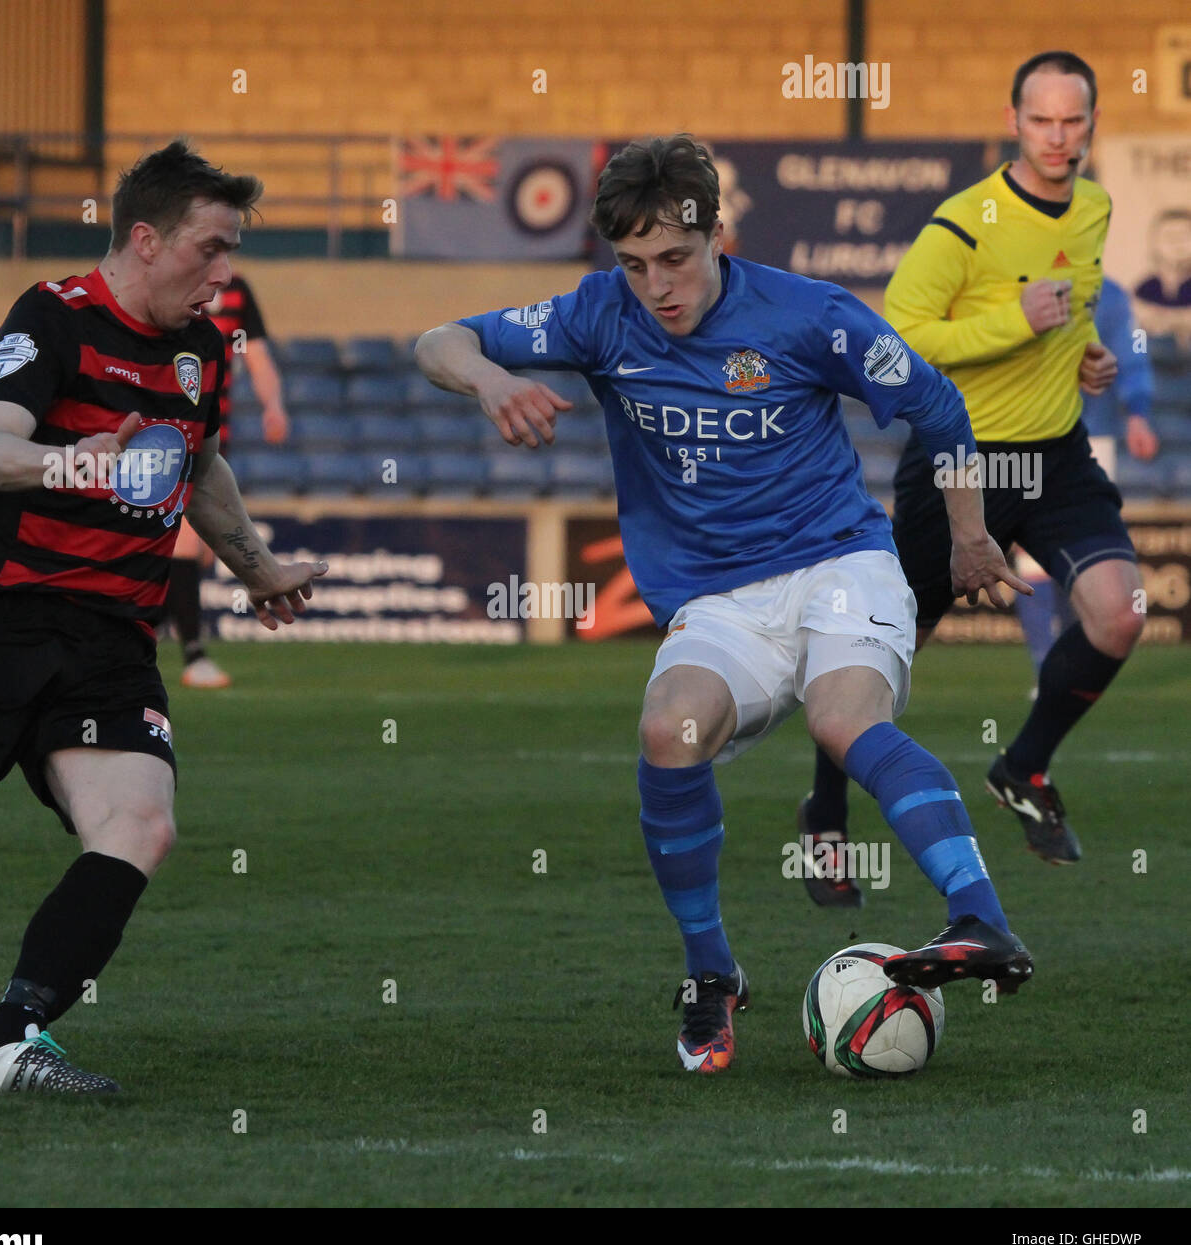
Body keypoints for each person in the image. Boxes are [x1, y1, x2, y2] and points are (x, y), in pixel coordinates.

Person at [416, 134, 1035, 1075]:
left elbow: (941, 407)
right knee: (669, 731)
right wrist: (494, 379)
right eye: (633, 265)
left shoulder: (809, 314)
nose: (656, 285)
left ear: (717, 236)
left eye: (674, 258)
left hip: (840, 562)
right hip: (716, 598)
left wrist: (968, 534)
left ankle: (980, 917)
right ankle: (713, 974)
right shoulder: (596, 315)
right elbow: (438, 340)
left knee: (841, 717)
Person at [0, 140, 326, 1093]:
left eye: (232, 251)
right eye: (211, 249)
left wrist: (255, 568)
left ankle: (6, 1043)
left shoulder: (201, 349)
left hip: (110, 640)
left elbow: (200, 465)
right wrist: (72, 459)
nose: (225, 273)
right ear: (145, 238)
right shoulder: (53, 317)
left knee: (140, 825)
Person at [798, 51, 1144, 903]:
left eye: (1074, 122)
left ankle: (1023, 769)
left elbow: (1073, 315)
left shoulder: (1095, 207)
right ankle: (826, 817)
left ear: (1093, 125)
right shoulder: (965, 220)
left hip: (1057, 455)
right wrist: (1011, 320)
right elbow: (898, 339)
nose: (1059, 138)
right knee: (879, 655)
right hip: (962, 463)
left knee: (1120, 611)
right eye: (1042, 121)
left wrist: (1086, 358)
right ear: (1013, 120)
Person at [1017, 277, 1158, 673]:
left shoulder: (1109, 294)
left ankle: (1070, 662)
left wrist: (1139, 414)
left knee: (1082, 558)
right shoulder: (1014, 286)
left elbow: (1132, 356)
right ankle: (1046, 665)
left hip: (1091, 440)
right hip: (1025, 436)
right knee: (1032, 558)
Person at [169, 272, 289, 689]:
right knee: (185, 542)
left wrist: (273, 405)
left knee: (196, 554)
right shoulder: (171, 282)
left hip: (215, 440)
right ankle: (193, 656)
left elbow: (256, 354)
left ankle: (133, 641)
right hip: (169, 432)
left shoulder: (238, 289)